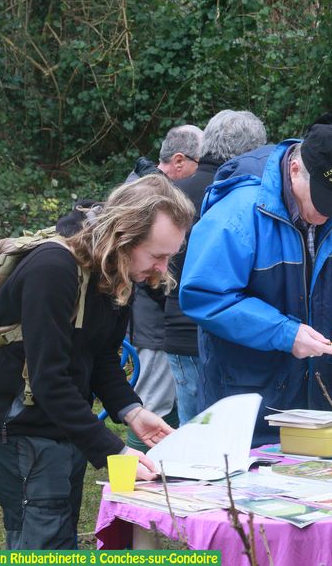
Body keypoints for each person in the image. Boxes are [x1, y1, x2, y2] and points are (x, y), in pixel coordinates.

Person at [0, 174, 195, 548]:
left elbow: (102, 355)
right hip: (18, 430)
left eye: (169, 257)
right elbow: (48, 379)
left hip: (64, 424)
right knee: (44, 541)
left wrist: (133, 411)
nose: (162, 268)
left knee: (59, 532)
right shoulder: (52, 270)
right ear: (123, 238)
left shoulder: (115, 270)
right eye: (157, 255)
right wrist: (115, 451)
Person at [180, 125, 332, 445]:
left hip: (317, 396)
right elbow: (205, 296)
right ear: (294, 170)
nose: (329, 212)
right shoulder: (238, 212)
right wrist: (285, 333)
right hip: (246, 399)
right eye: (322, 200)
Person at [164, 109, 268, 426]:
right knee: (231, 429)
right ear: (256, 150)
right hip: (231, 333)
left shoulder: (173, 193)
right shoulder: (254, 198)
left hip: (178, 327)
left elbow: (153, 274)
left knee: (192, 429)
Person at [122, 125, 203, 449]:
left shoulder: (152, 189)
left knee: (160, 406)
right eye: (200, 163)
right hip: (152, 325)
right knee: (150, 404)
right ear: (179, 160)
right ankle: (134, 470)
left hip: (156, 320)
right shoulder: (148, 197)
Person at [126, 124, 203, 181]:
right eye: (200, 163)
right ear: (179, 161)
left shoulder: (143, 181)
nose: (203, 168)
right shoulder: (154, 194)